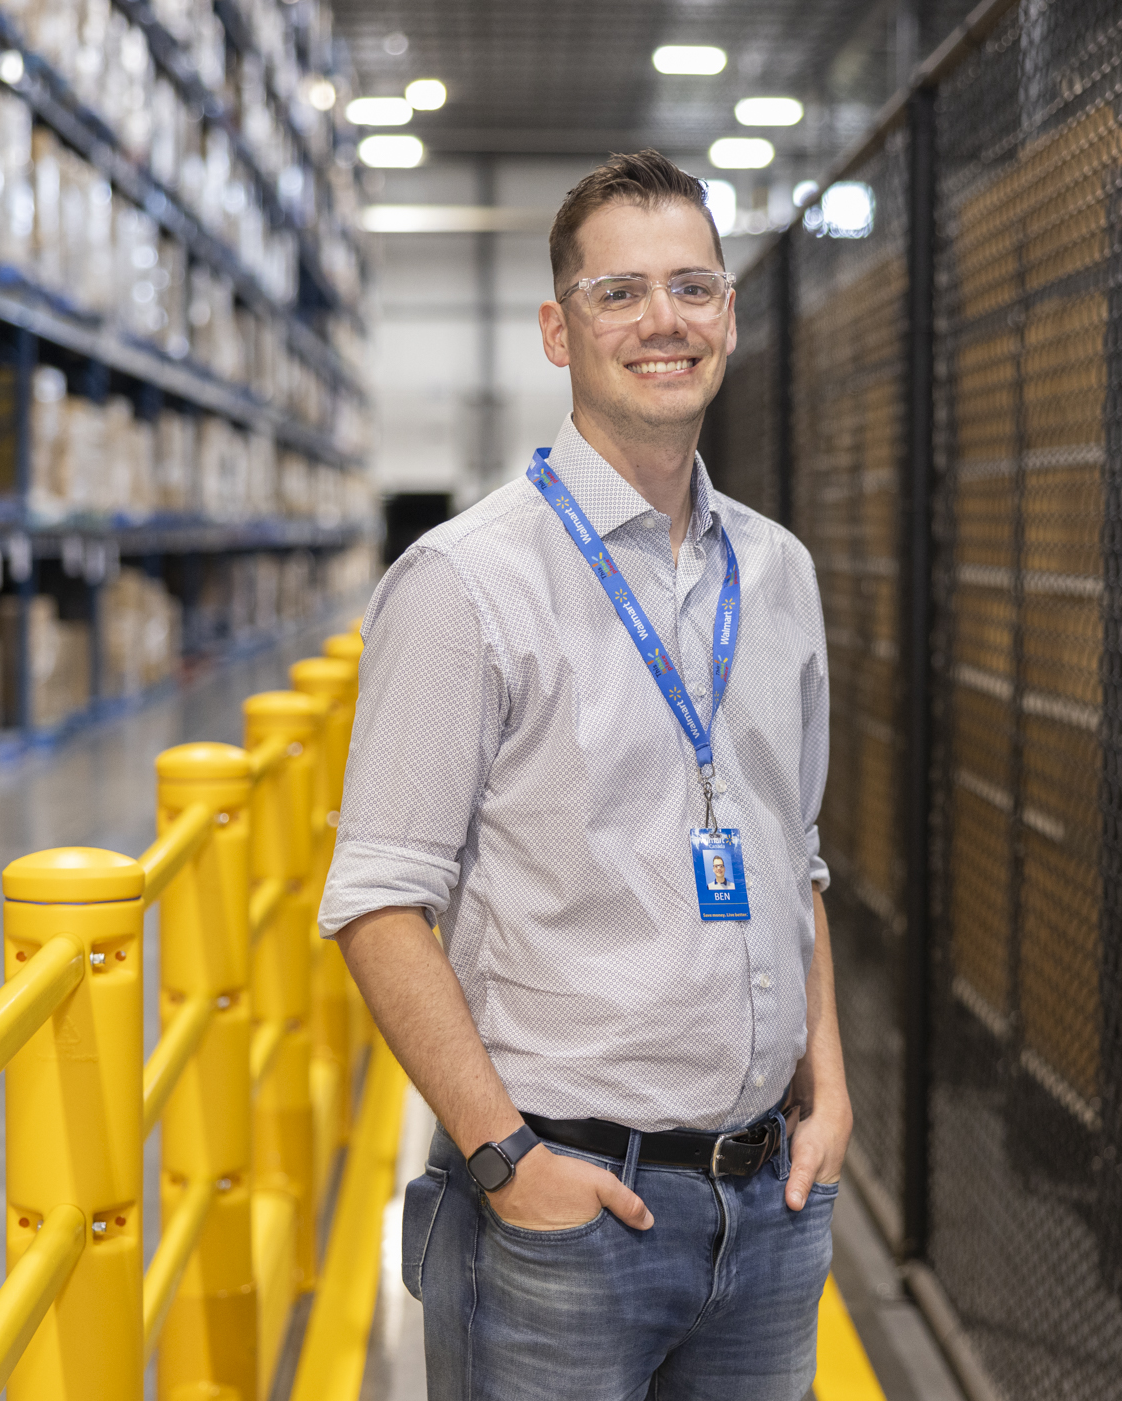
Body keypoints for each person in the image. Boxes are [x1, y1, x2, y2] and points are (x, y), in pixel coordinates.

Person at [319, 148, 848, 1401]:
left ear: (727, 316)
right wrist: (506, 1162)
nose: (663, 322)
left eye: (694, 288)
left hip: (772, 1205)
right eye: (621, 295)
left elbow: (794, 856)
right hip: (564, 1220)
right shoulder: (465, 585)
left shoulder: (778, 575)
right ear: (560, 331)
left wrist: (829, 1098)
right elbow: (379, 902)